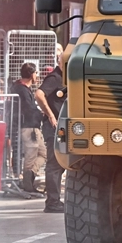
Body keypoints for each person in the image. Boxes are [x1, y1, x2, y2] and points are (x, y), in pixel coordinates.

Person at [10, 63, 51, 197]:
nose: (37, 76)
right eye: (36, 73)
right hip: (28, 127)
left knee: (42, 153)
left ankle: (30, 177)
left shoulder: (22, 88)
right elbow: (28, 108)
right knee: (31, 155)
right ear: (31, 74)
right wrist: (41, 114)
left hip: (33, 126)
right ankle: (28, 183)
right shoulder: (22, 89)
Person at [39, 63, 67, 213]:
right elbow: (39, 94)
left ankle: (53, 200)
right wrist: (50, 115)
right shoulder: (55, 78)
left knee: (59, 164)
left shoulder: (64, 77)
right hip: (55, 128)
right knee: (55, 165)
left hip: (62, 128)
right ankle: (52, 202)